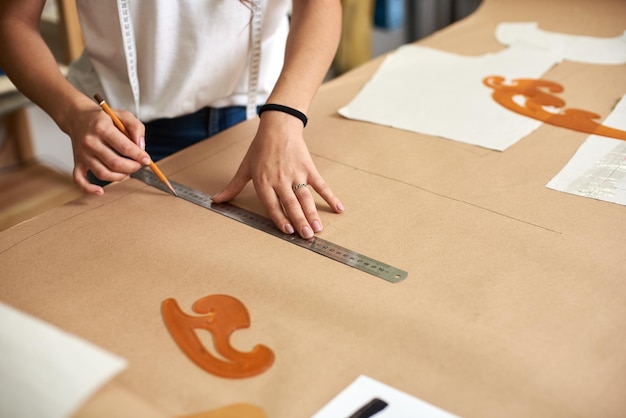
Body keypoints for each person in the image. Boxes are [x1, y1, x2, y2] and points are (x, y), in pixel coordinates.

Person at [0, 0, 344, 239]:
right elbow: (12, 21)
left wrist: (286, 116)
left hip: (264, 120)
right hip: (123, 136)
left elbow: (319, 4)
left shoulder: (277, 119)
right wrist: (72, 113)